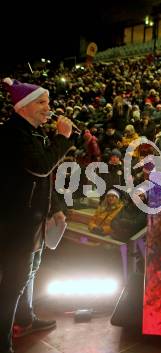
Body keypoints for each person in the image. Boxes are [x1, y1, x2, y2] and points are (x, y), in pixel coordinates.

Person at [0, 78, 73, 353]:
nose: (48, 108)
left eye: (48, 102)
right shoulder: (12, 134)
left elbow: (42, 179)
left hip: (34, 220)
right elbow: (40, 166)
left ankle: (25, 318)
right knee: (13, 283)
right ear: (24, 107)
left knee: (29, 273)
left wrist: (54, 209)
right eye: (42, 102)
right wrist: (62, 139)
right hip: (16, 223)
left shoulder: (33, 133)